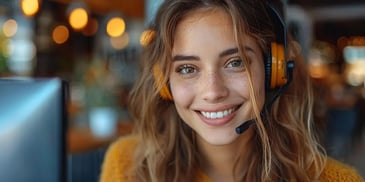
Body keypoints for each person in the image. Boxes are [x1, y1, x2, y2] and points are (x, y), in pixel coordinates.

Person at [100, 0, 364, 181]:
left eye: (235, 63)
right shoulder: (128, 167)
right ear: (164, 80)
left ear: (275, 70)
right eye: (187, 69)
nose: (213, 92)